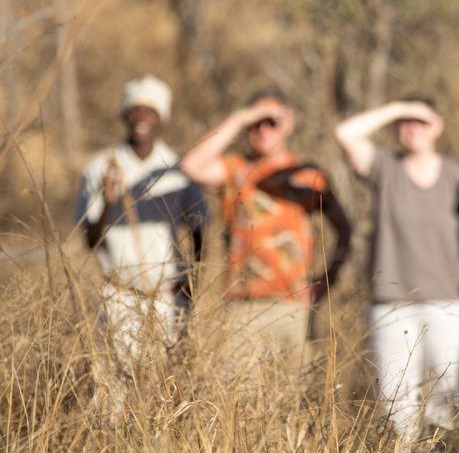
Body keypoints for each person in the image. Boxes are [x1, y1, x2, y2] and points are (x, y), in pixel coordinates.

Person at [334, 97, 459, 447]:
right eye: (406, 122)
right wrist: (398, 108)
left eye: (422, 121)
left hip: (447, 301)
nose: (413, 128)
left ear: (437, 125)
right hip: (392, 302)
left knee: (445, 395)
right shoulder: (385, 167)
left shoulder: (456, 174)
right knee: (396, 399)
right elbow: (345, 134)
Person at [181, 89, 352, 371]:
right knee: (239, 394)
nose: (263, 130)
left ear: (288, 123)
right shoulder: (235, 168)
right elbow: (191, 165)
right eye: (255, 123)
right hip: (242, 307)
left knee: (294, 392)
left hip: (294, 306)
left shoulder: (308, 174)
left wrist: (326, 280)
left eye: (271, 122)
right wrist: (239, 118)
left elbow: (344, 230)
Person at [76, 74, 206, 401]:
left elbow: (199, 229)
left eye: (150, 110)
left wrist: (191, 286)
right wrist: (108, 202)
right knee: (114, 393)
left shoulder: (179, 169)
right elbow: (90, 240)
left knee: (165, 391)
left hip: (167, 298)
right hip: (120, 296)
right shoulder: (101, 167)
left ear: (161, 117)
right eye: (135, 110)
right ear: (124, 115)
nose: (141, 117)